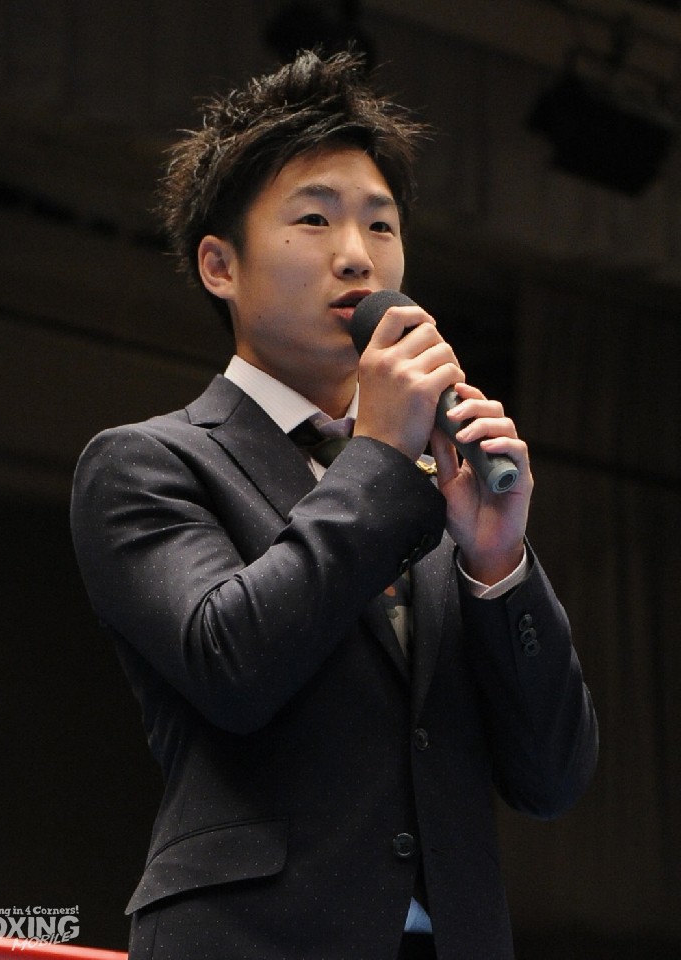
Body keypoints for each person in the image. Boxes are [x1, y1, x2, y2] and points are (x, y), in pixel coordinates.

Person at [70, 49, 598, 960]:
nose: (358, 254)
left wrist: (496, 564)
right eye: (314, 218)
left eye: (381, 225)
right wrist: (381, 455)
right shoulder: (147, 463)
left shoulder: (436, 482)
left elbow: (553, 778)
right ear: (219, 265)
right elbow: (232, 664)